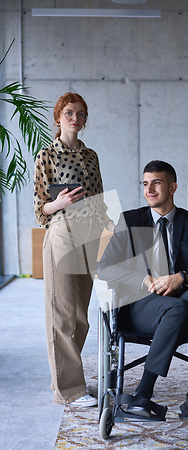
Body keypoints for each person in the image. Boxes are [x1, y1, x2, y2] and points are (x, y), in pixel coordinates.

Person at [97, 160, 188, 421]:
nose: (149, 189)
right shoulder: (131, 221)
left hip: (184, 302)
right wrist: (143, 279)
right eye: (145, 184)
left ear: (172, 187)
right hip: (141, 305)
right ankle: (143, 392)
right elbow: (104, 268)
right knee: (180, 307)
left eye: (156, 183)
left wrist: (183, 277)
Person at [33, 92, 115, 407]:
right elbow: (40, 209)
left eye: (81, 114)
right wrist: (61, 202)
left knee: (80, 317)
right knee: (63, 313)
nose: (75, 119)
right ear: (58, 117)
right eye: (69, 113)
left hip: (90, 233)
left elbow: (99, 197)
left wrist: (111, 226)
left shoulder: (91, 156)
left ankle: (65, 377)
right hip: (62, 231)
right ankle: (68, 390)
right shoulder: (46, 156)